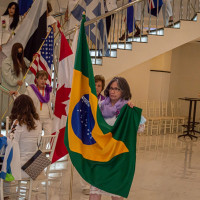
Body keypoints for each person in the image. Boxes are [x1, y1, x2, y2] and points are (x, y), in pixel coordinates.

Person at [89, 77, 145, 200]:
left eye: (117, 89)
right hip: (101, 156)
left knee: (116, 195)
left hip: (118, 159)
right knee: (94, 193)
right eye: (111, 88)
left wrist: (131, 114)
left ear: (123, 91)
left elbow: (141, 128)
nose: (113, 91)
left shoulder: (127, 108)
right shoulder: (100, 106)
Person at [9, 94, 42, 179]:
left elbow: (11, 145)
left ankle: (4, 191)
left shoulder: (18, 123)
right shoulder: (38, 122)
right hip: (36, 167)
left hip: (21, 168)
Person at [0, 43, 30, 120]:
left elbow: (29, 70)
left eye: (21, 52)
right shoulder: (7, 62)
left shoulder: (23, 61)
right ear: (14, 52)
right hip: (10, 90)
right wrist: (16, 81)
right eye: (18, 52)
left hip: (21, 90)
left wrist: (34, 60)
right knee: (10, 111)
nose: (19, 54)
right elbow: (6, 75)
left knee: (20, 110)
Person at [25, 70, 54, 135]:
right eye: (41, 79)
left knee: (49, 135)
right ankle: (38, 146)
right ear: (37, 79)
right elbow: (23, 99)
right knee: (37, 136)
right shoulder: (31, 89)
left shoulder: (49, 90)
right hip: (36, 117)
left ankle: (43, 146)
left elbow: (55, 101)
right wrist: (16, 94)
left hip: (48, 117)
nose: (43, 81)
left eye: (45, 79)